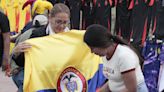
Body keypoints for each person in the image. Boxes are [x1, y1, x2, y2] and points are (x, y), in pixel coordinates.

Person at [11, 3, 70, 92]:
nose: (61, 26)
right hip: (41, 81)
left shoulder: (72, 38)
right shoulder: (38, 35)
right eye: (58, 22)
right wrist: (16, 53)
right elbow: (24, 62)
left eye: (65, 22)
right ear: (50, 18)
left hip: (63, 81)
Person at [83, 24, 148, 92]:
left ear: (100, 44)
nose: (92, 51)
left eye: (92, 48)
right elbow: (113, 81)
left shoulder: (124, 56)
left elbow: (131, 89)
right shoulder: (106, 56)